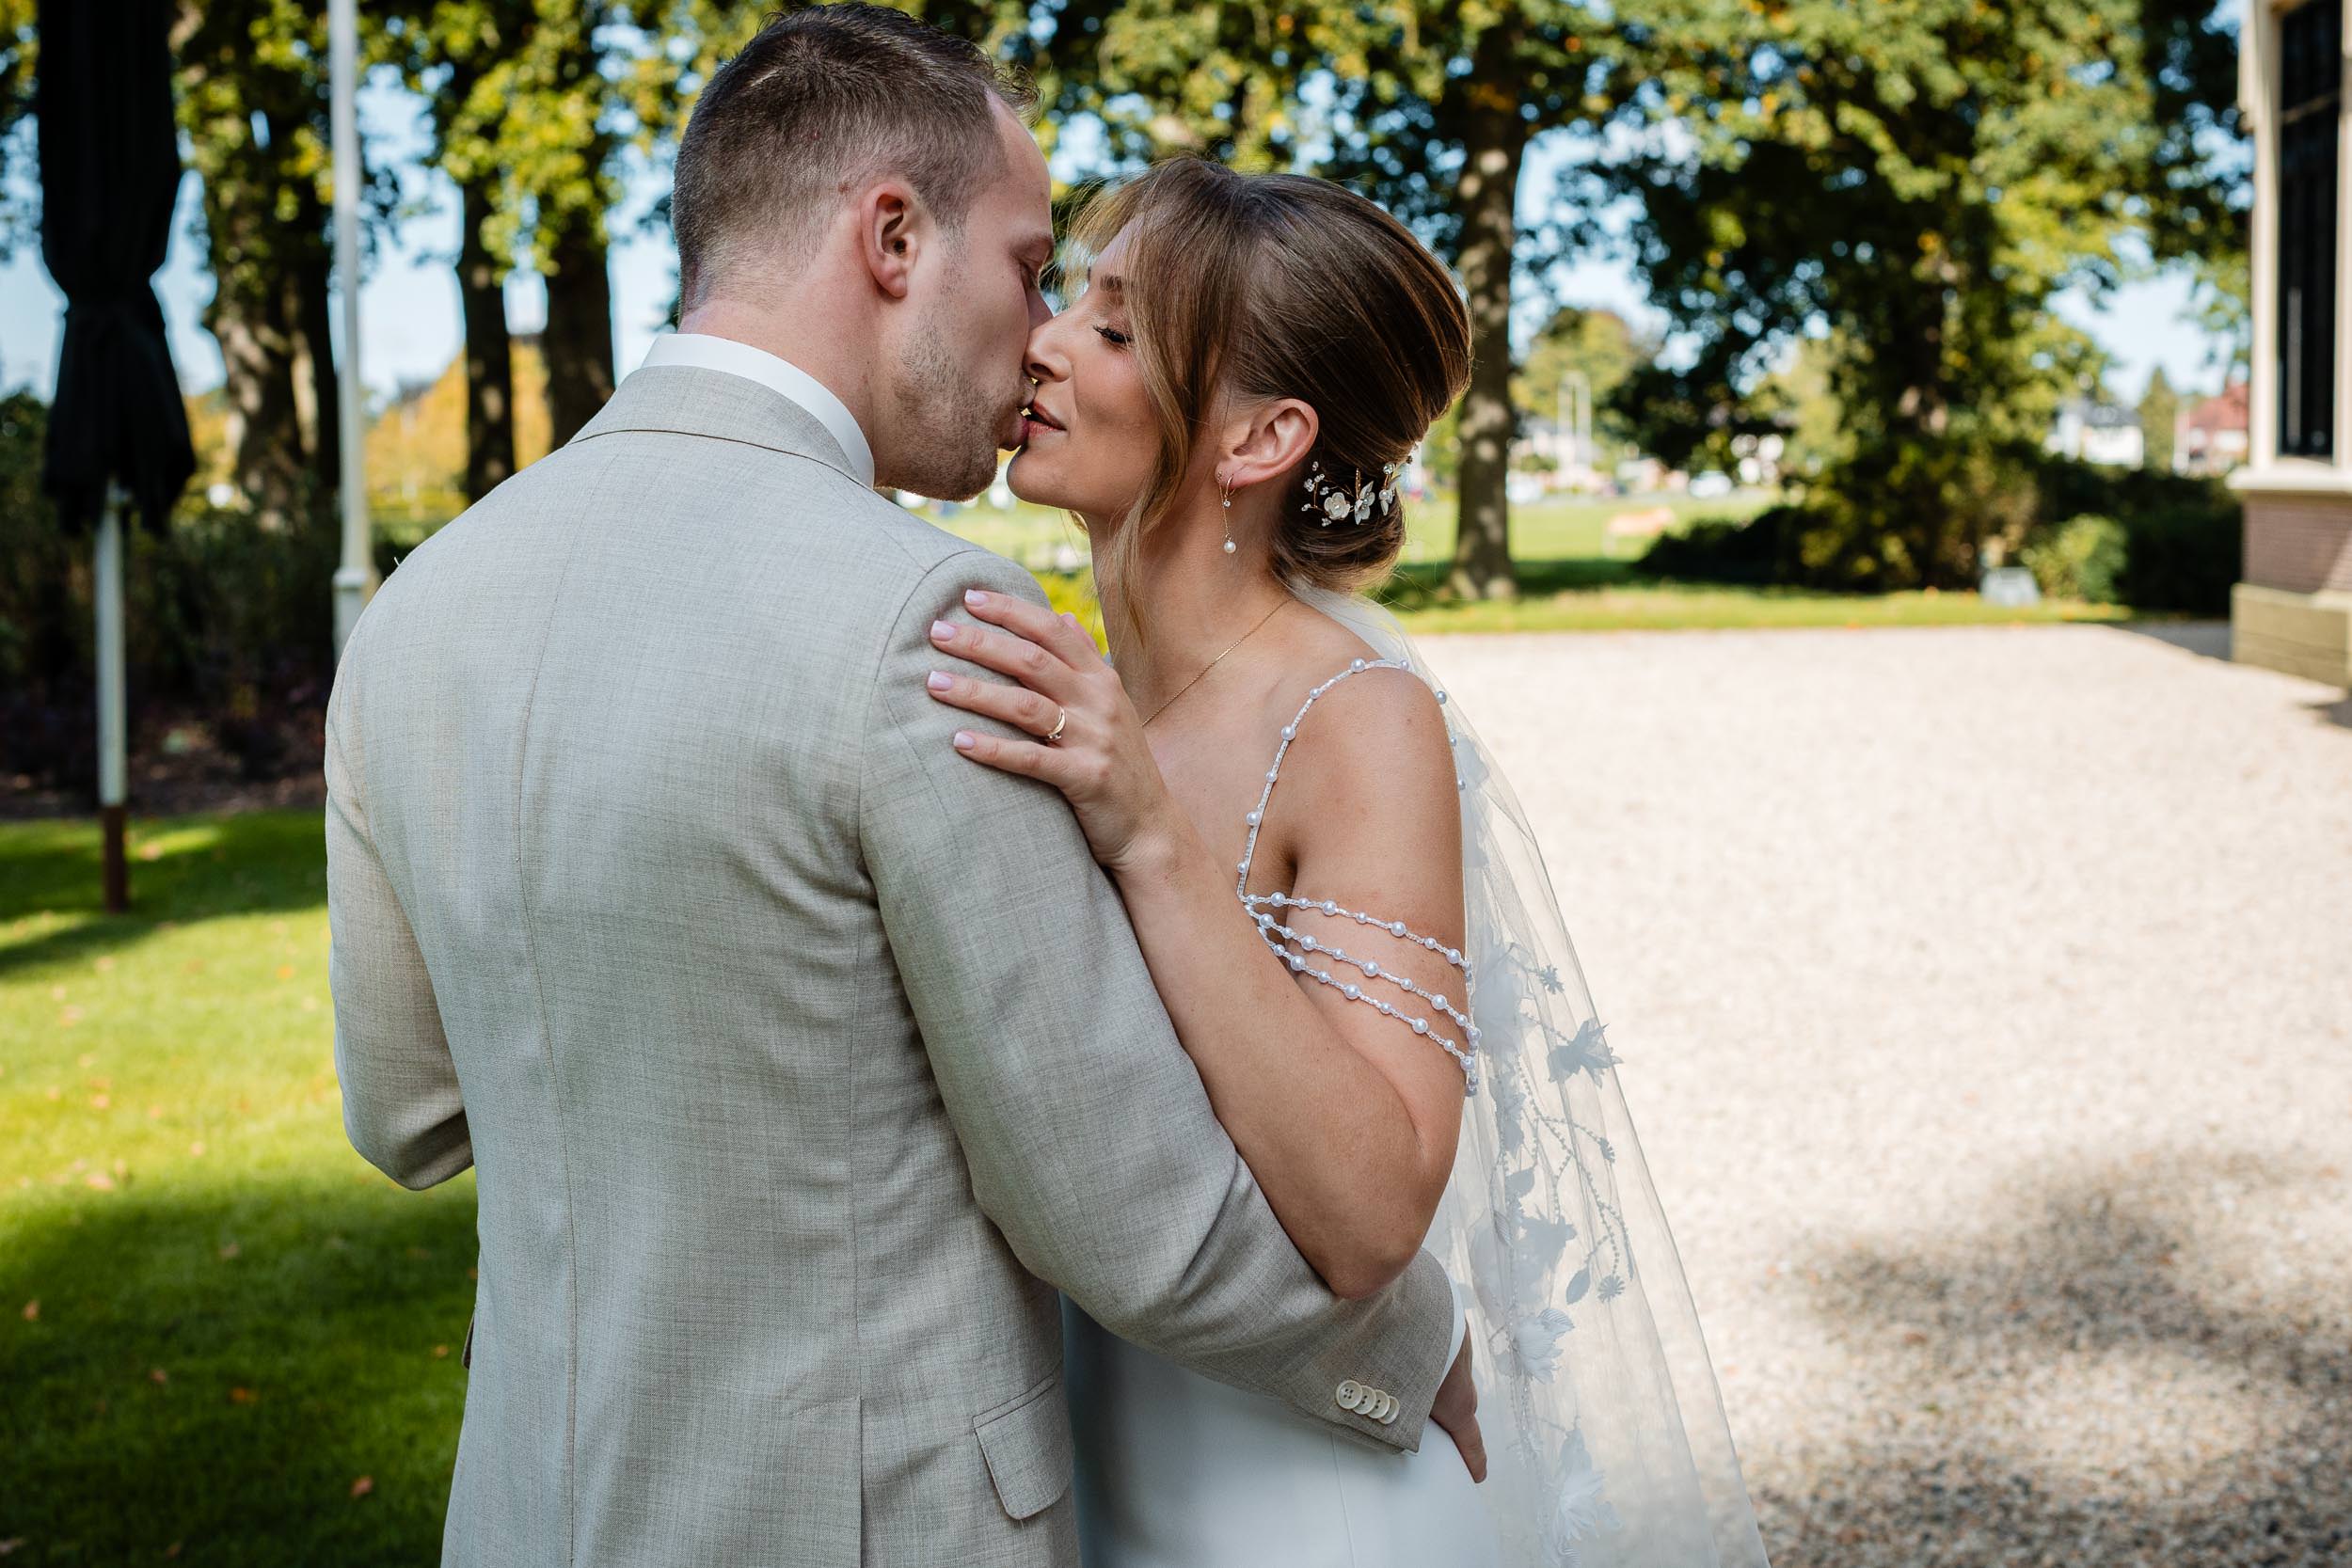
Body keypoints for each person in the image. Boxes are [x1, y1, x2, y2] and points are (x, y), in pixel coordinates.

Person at [321, 9, 1477, 1568]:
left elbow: (408, 1113)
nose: (1041, 336)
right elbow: (1116, 1204)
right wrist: (1410, 1348)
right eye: (1025, 269)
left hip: (534, 1508)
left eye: (1097, 311)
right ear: (889, 237)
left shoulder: (418, 606)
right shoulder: (919, 625)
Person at [924, 157, 1777, 1566]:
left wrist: (1146, 831)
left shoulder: (1352, 717)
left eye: (1118, 329)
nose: (1047, 341)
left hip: (1304, 1505)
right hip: (1091, 1467)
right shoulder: (1076, 687)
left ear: (1259, 440)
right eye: (1070, 298)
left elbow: (1378, 1208)